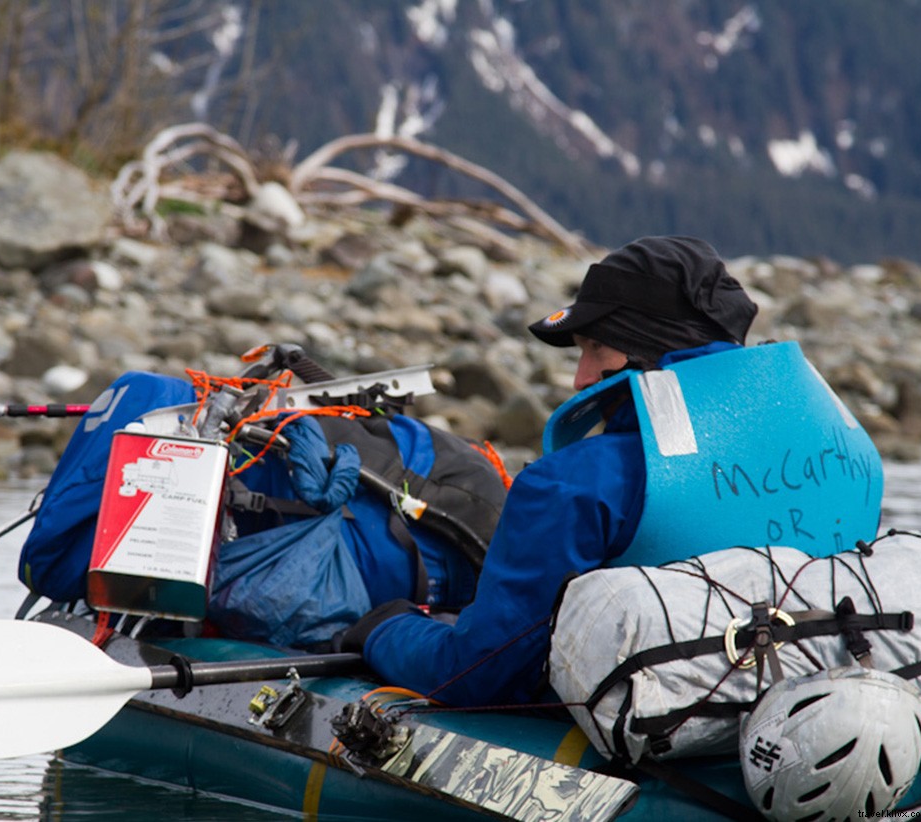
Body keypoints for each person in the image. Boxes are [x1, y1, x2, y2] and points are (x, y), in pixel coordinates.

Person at [337, 235, 884, 707]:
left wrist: (384, 627)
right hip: (813, 707)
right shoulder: (852, 458)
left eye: (595, 347)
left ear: (649, 347)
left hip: (644, 737)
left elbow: (475, 674)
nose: (580, 378)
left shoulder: (573, 482)